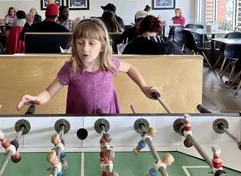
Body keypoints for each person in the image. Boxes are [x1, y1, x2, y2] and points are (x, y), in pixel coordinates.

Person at [17, 18, 160, 115]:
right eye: (80, 42)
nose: (85, 49)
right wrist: (38, 99)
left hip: (108, 120)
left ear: (102, 45)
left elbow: (130, 68)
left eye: (91, 43)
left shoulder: (109, 64)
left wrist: (144, 87)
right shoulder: (70, 68)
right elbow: (49, 93)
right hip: (79, 124)